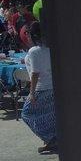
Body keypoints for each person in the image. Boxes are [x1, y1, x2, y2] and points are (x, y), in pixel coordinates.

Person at [21, 22, 57, 154]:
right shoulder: (49, 48)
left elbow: (35, 74)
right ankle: (52, 140)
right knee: (50, 116)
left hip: (41, 88)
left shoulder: (34, 51)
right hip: (52, 86)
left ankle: (50, 139)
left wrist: (31, 93)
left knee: (27, 114)